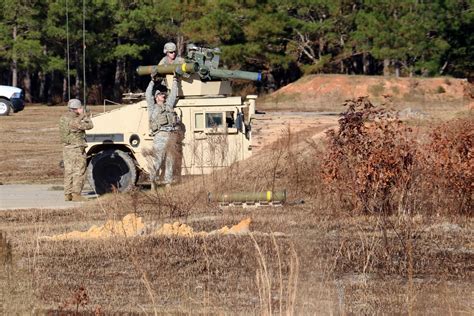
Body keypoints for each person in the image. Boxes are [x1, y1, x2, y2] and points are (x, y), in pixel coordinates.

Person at [146, 69, 182, 189]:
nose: (164, 95)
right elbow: (147, 95)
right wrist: (152, 81)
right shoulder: (153, 107)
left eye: (163, 94)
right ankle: (153, 182)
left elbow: (173, 94)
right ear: (156, 97)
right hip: (160, 135)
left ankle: (168, 183)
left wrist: (175, 79)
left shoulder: (168, 105)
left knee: (170, 160)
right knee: (158, 160)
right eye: (161, 94)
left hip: (171, 135)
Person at [59, 99, 93, 201]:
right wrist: (85, 116)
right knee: (79, 171)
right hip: (77, 148)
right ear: (77, 109)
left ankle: (67, 194)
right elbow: (90, 126)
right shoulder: (75, 121)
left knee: (68, 171)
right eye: (80, 108)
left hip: (67, 148)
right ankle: (76, 194)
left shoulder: (63, 118)